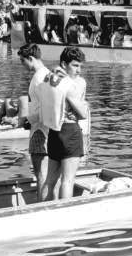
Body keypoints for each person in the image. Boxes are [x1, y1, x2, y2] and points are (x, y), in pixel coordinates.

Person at [39, 47, 89, 200]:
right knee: (67, 181)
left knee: (50, 179)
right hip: (70, 130)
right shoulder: (75, 83)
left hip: (54, 131)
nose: (79, 70)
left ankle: (42, 211)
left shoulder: (48, 78)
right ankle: (64, 217)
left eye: (80, 66)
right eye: (75, 65)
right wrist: (85, 107)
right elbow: (82, 114)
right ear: (64, 64)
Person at [17, 43, 51, 201]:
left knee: (41, 173)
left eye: (23, 62)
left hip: (39, 131)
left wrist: (25, 121)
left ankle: (41, 205)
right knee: (48, 172)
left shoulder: (38, 79)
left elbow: (44, 109)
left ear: (31, 58)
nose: (22, 66)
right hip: (48, 130)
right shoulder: (49, 74)